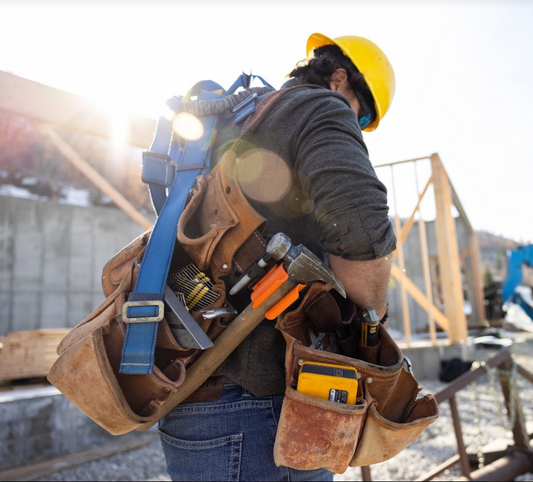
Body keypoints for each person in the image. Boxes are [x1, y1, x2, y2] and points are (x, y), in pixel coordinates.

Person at [158, 32, 397, 482]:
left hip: (188, 400)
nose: (357, 124)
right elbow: (362, 233)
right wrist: (372, 320)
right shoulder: (320, 107)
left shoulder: (231, 121)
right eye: (361, 113)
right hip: (264, 409)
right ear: (339, 77)